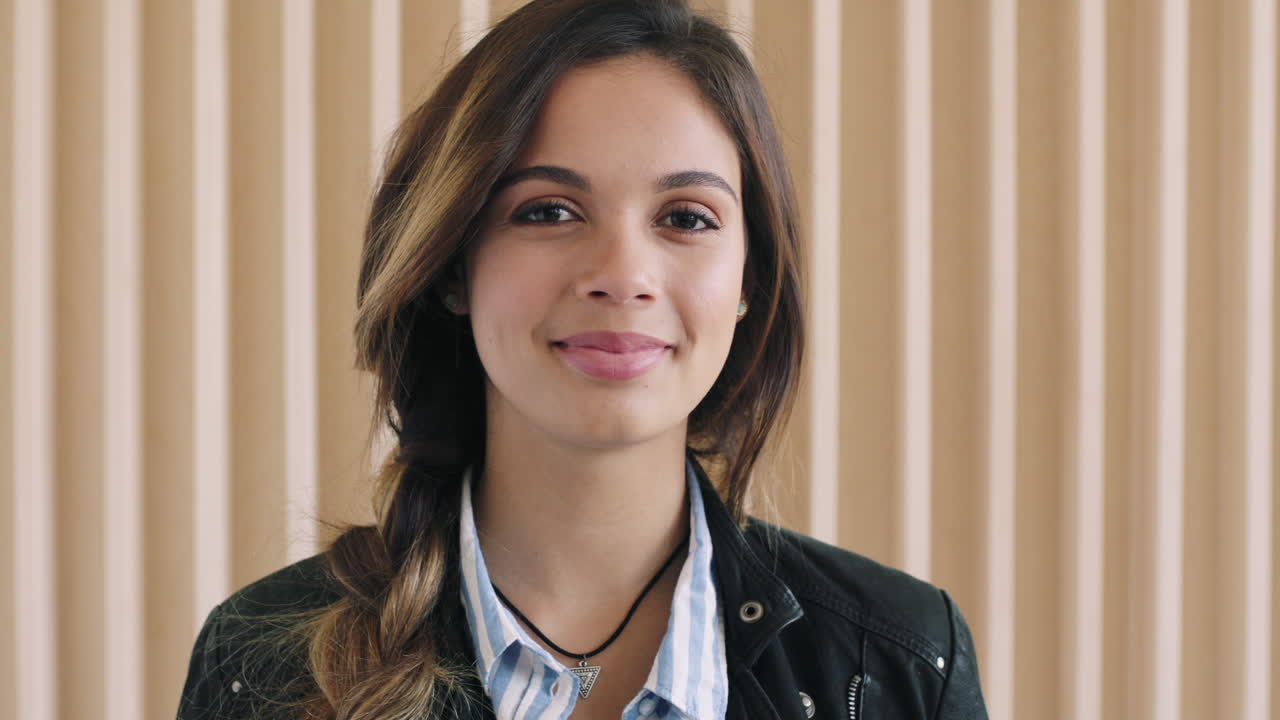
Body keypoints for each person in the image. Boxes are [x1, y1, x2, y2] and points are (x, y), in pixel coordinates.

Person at [176, 1, 988, 718]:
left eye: (687, 218)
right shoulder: (260, 668)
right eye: (550, 210)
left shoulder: (902, 661)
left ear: (750, 279)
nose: (623, 276)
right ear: (455, 265)